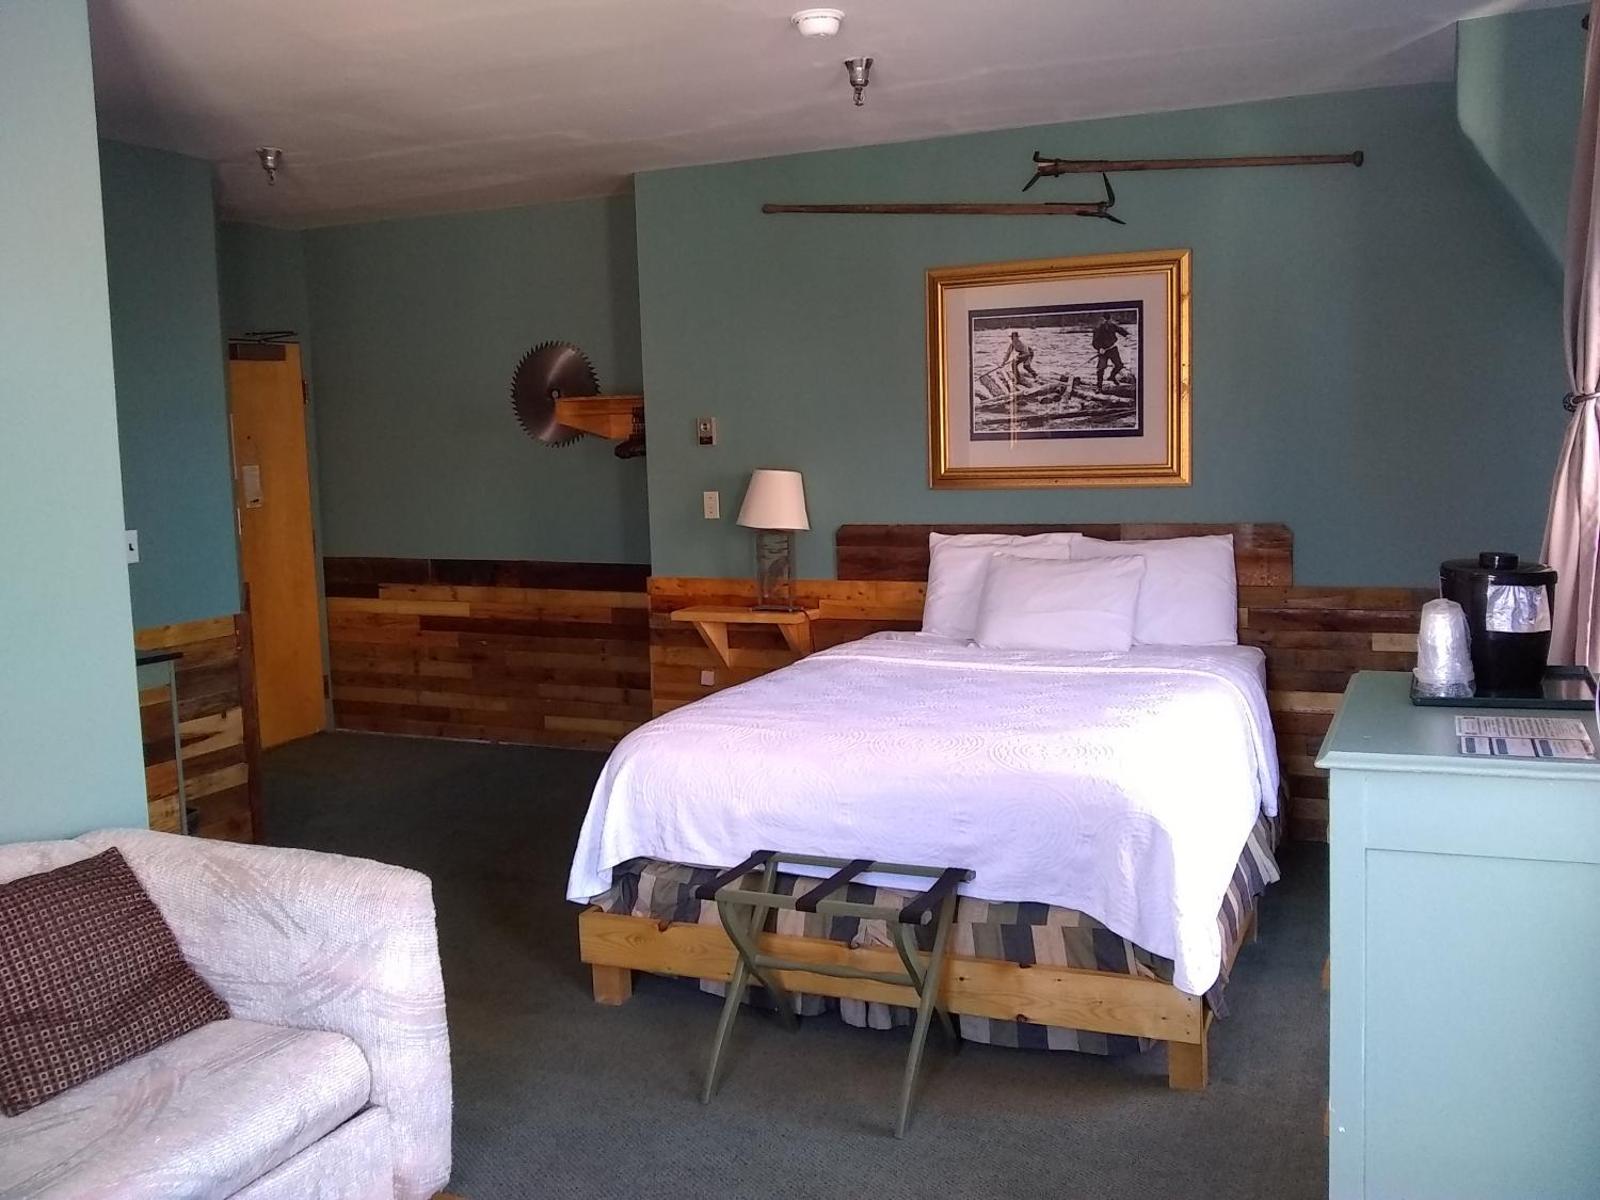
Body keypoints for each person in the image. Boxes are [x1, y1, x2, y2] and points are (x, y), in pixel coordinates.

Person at [1091, 313, 1130, 391]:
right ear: (1102, 319)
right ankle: (1099, 386)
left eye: (1108, 320)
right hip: (1103, 351)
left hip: (1112, 349)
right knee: (1101, 368)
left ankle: (1112, 376)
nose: (1106, 322)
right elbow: (1094, 342)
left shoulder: (1112, 326)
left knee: (1119, 365)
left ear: (1109, 319)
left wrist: (1127, 335)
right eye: (1105, 320)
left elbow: (1120, 330)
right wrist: (1099, 348)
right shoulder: (1098, 328)